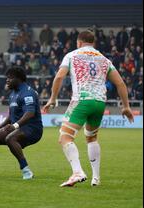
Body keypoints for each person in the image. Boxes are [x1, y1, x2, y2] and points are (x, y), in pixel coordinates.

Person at [42, 30, 134, 187]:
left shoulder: (72, 55)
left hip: (82, 100)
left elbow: (59, 77)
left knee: (65, 137)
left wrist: (52, 99)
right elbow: (120, 83)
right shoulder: (104, 59)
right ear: (93, 43)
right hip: (99, 103)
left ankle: (77, 172)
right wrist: (126, 106)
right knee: (91, 138)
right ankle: (96, 178)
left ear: (78, 42)